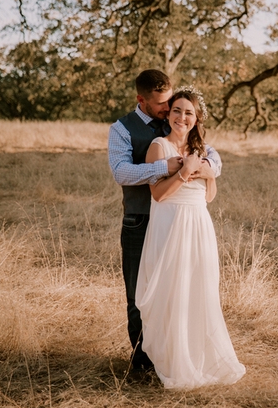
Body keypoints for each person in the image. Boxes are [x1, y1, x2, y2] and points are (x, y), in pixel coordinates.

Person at [108, 70, 222, 373]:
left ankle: (174, 355)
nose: (168, 108)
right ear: (141, 100)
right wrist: (165, 167)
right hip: (140, 219)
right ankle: (143, 362)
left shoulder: (178, 120)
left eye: (170, 102)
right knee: (140, 294)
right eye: (163, 104)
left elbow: (211, 157)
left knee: (178, 289)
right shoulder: (122, 129)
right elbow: (121, 172)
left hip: (181, 222)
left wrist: (210, 167)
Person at [135, 87, 245, 389]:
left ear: (196, 119)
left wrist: (208, 174)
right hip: (170, 224)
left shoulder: (203, 151)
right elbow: (157, 194)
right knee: (171, 292)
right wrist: (185, 173)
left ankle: (199, 357)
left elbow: (209, 197)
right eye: (177, 111)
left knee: (199, 289)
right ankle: (173, 360)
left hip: (198, 224)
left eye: (188, 113)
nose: (182, 117)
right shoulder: (159, 146)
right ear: (169, 114)